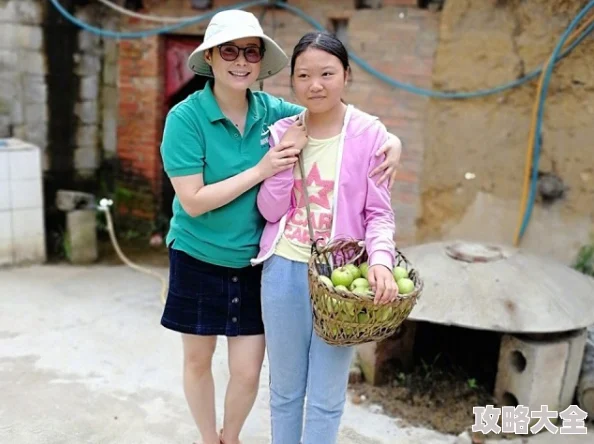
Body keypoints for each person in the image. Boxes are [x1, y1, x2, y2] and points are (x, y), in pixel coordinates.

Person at [159, 9, 402, 444]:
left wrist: (391, 140)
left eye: (250, 51)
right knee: (202, 363)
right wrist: (267, 168)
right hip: (201, 253)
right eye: (228, 51)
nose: (240, 60)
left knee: (251, 371)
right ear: (209, 57)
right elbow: (195, 202)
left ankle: (229, 436)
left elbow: (330, 111)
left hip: (260, 261)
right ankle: (208, 439)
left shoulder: (276, 113)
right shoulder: (188, 118)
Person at [252, 31, 399, 444]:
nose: (315, 84)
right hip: (281, 269)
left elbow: (379, 213)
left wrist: (382, 261)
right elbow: (269, 211)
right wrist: (285, 158)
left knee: (326, 395)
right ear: (293, 82)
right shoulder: (282, 129)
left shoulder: (370, 134)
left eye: (327, 73)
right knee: (284, 390)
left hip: (340, 282)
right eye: (304, 75)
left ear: (346, 75)